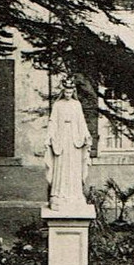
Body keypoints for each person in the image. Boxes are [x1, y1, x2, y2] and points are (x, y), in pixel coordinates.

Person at [45, 76, 92, 208]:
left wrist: (86, 135)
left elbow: (81, 122)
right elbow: (52, 121)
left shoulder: (77, 105)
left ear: (73, 92)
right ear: (63, 92)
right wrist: (49, 136)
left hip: (74, 139)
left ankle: (75, 195)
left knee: (74, 166)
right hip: (60, 139)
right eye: (66, 92)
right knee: (61, 166)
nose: (68, 95)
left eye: (70, 92)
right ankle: (58, 195)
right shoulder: (58, 105)